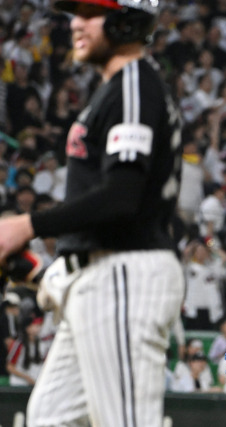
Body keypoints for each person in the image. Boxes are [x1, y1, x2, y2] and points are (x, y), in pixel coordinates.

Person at [0, 1, 184, 425]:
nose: (75, 22)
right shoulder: (116, 89)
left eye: (90, 11)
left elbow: (122, 196)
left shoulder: (135, 84)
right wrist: (35, 269)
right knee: (50, 417)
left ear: (127, 19)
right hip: (101, 275)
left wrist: (27, 225)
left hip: (125, 273)